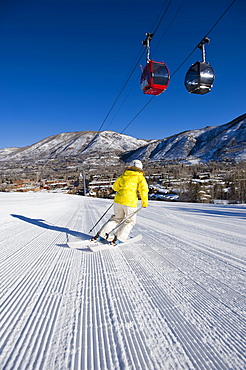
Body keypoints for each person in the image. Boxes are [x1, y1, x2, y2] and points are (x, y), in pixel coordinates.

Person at [91, 159, 149, 245]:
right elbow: (144, 190)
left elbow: (115, 188)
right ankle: (118, 238)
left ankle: (101, 235)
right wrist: (144, 202)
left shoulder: (123, 176)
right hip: (130, 203)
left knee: (115, 219)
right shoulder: (140, 178)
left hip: (118, 201)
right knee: (130, 221)